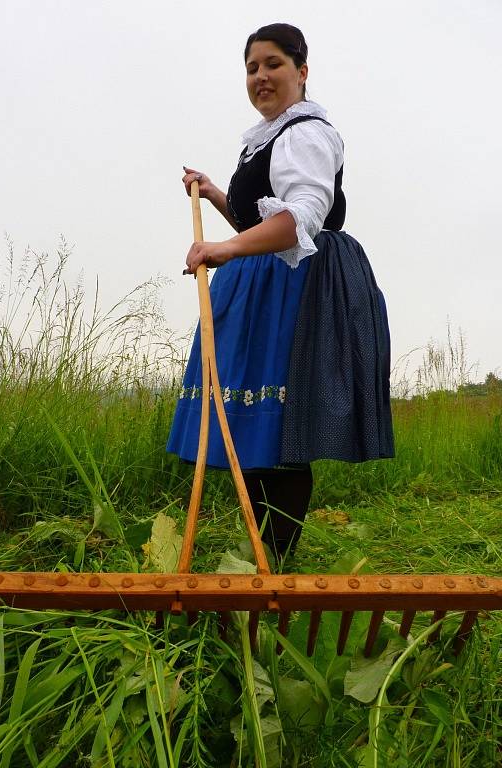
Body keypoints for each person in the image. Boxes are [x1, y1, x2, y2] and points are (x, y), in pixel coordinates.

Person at [167, 23, 394, 560]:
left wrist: (222, 249)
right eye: (251, 68)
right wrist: (217, 194)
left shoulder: (308, 133)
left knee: (282, 430)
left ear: (302, 71)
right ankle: (262, 548)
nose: (261, 76)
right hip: (259, 282)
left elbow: (301, 220)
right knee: (253, 426)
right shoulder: (263, 139)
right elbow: (257, 218)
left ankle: (274, 555)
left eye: (273, 64)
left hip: (299, 287)